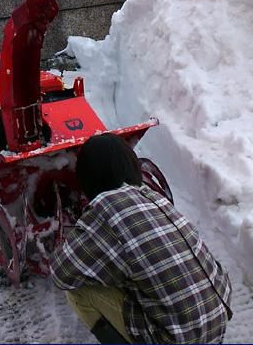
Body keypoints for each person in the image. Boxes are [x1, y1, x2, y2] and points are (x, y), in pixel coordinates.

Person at [50, 133, 232, 344]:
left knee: (80, 292)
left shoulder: (105, 208)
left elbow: (61, 273)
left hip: (178, 338)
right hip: (217, 316)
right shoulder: (152, 197)